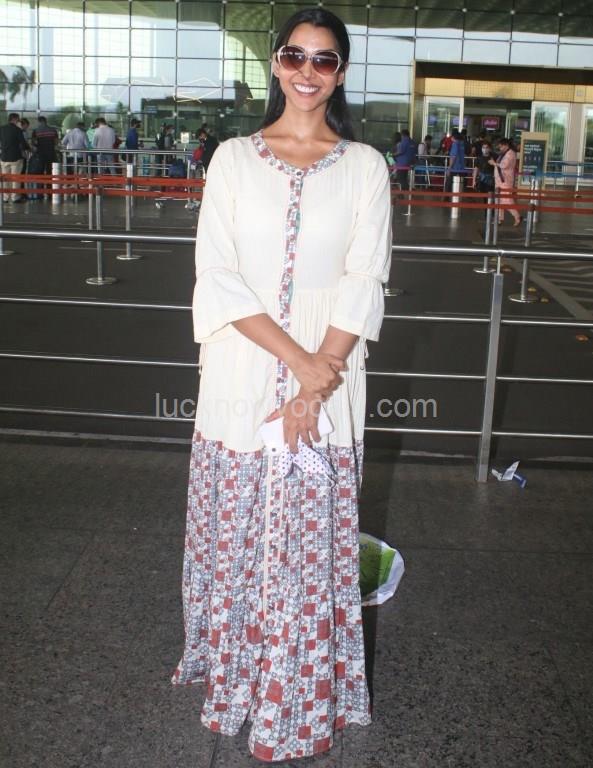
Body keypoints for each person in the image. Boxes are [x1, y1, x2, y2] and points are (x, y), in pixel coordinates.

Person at [172, 7, 392, 763]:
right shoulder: (233, 158)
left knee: (304, 546)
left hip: (330, 382)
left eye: (323, 60)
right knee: (239, 538)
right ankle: (235, 678)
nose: (307, 71)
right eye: (295, 55)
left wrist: (313, 385)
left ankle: (295, 702)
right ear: (275, 64)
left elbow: (364, 280)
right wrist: (299, 364)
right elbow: (217, 274)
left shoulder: (365, 167)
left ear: (340, 73)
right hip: (241, 372)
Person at [490, 136, 522, 226]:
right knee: (499, 200)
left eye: (501, 146)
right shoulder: (504, 153)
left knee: (507, 200)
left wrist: (494, 163)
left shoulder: (510, 154)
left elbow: (504, 165)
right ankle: (500, 218)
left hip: (505, 181)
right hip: (500, 181)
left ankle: (517, 216)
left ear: (506, 145)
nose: (500, 148)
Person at [0, 113, 28, 202]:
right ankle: (15, 197)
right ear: (15, 119)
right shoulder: (17, 130)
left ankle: (5, 197)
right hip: (16, 158)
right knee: (15, 178)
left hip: (4, 157)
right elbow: (23, 143)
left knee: (5, 179)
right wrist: (29, 149)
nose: (19, 121)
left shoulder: (1, 129)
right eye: (18, 120)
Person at [393, 127, 416, 192]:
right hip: (409, 163)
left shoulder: (404, 141)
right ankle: (404, 192)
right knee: (404, 177)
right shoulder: (412, 142)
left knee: (400, 178)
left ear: (403, 135)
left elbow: (401, 151)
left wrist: (393, 154)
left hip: (402, 163)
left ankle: (409, 190)